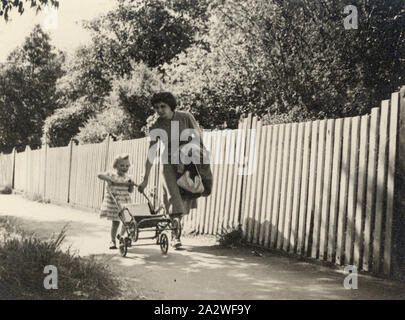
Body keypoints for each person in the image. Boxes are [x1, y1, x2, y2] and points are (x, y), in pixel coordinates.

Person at [138, 92, 209, 249]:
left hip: (187, 161)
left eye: (163, 106)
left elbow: (197, 137)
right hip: (168, 165)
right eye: (156, 107)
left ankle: (171, 226)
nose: (160, 110)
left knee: (184, 198)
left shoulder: (185, 117)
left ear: (171, 105)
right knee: (174, 197)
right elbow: (151, 152)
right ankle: (175, 236)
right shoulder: (156, 125)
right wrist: (145, 178)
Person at [98, 153, 135, 249]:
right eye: (122, 165)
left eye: (127, 166)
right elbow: (99, 175)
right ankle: (112, 240)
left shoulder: (128, 178)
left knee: (127, 221)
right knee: (115, 223)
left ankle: (121, 236)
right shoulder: (112, 175)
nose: (124, 167)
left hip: (125, 202)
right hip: (115, 203)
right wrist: (109, 179)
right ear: (116, 165)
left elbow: (130, 191)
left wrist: (131, 185)